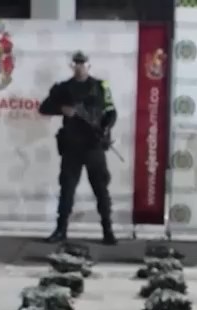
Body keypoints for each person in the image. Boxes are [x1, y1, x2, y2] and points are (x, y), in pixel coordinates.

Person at [39, 51, 118, 245]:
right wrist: (62, 109)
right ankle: (61, 230)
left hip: (94, 145)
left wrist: (105, 128)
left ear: (88, 65)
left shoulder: (101, 86)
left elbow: (111, 111)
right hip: (72, 146)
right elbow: (44, 108)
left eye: (83, 63)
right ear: (72, 66)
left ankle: (108, 230)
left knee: (101, 189)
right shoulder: (63, 88)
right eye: (76, 63)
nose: (79, 66)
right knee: (67, 189)